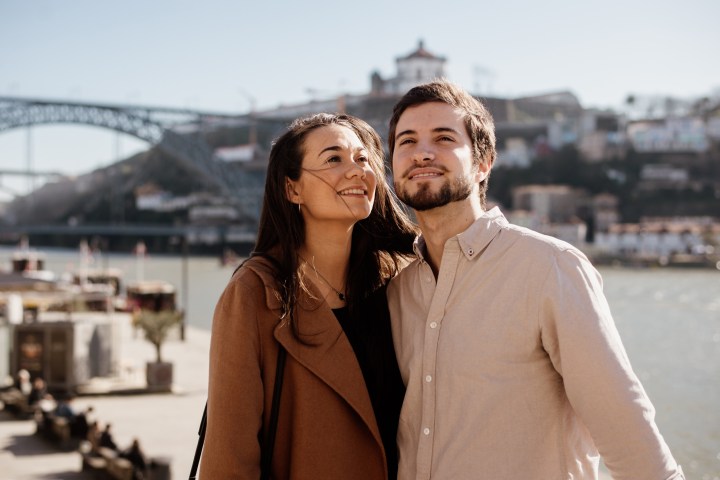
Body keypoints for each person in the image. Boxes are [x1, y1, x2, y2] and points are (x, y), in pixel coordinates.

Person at [386, 79, 685, 480]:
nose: (422, 152)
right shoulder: (395, 290)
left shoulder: (550, 268)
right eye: (407, 141)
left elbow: (630, 435)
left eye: (443, 138)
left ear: (483, 162)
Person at [198, 113, 418, 479]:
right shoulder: (255, 295)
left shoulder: (401, 280)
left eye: (363, 159)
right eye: (334, 159)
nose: (356, 171)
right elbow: (229, 461)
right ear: (292, 189)